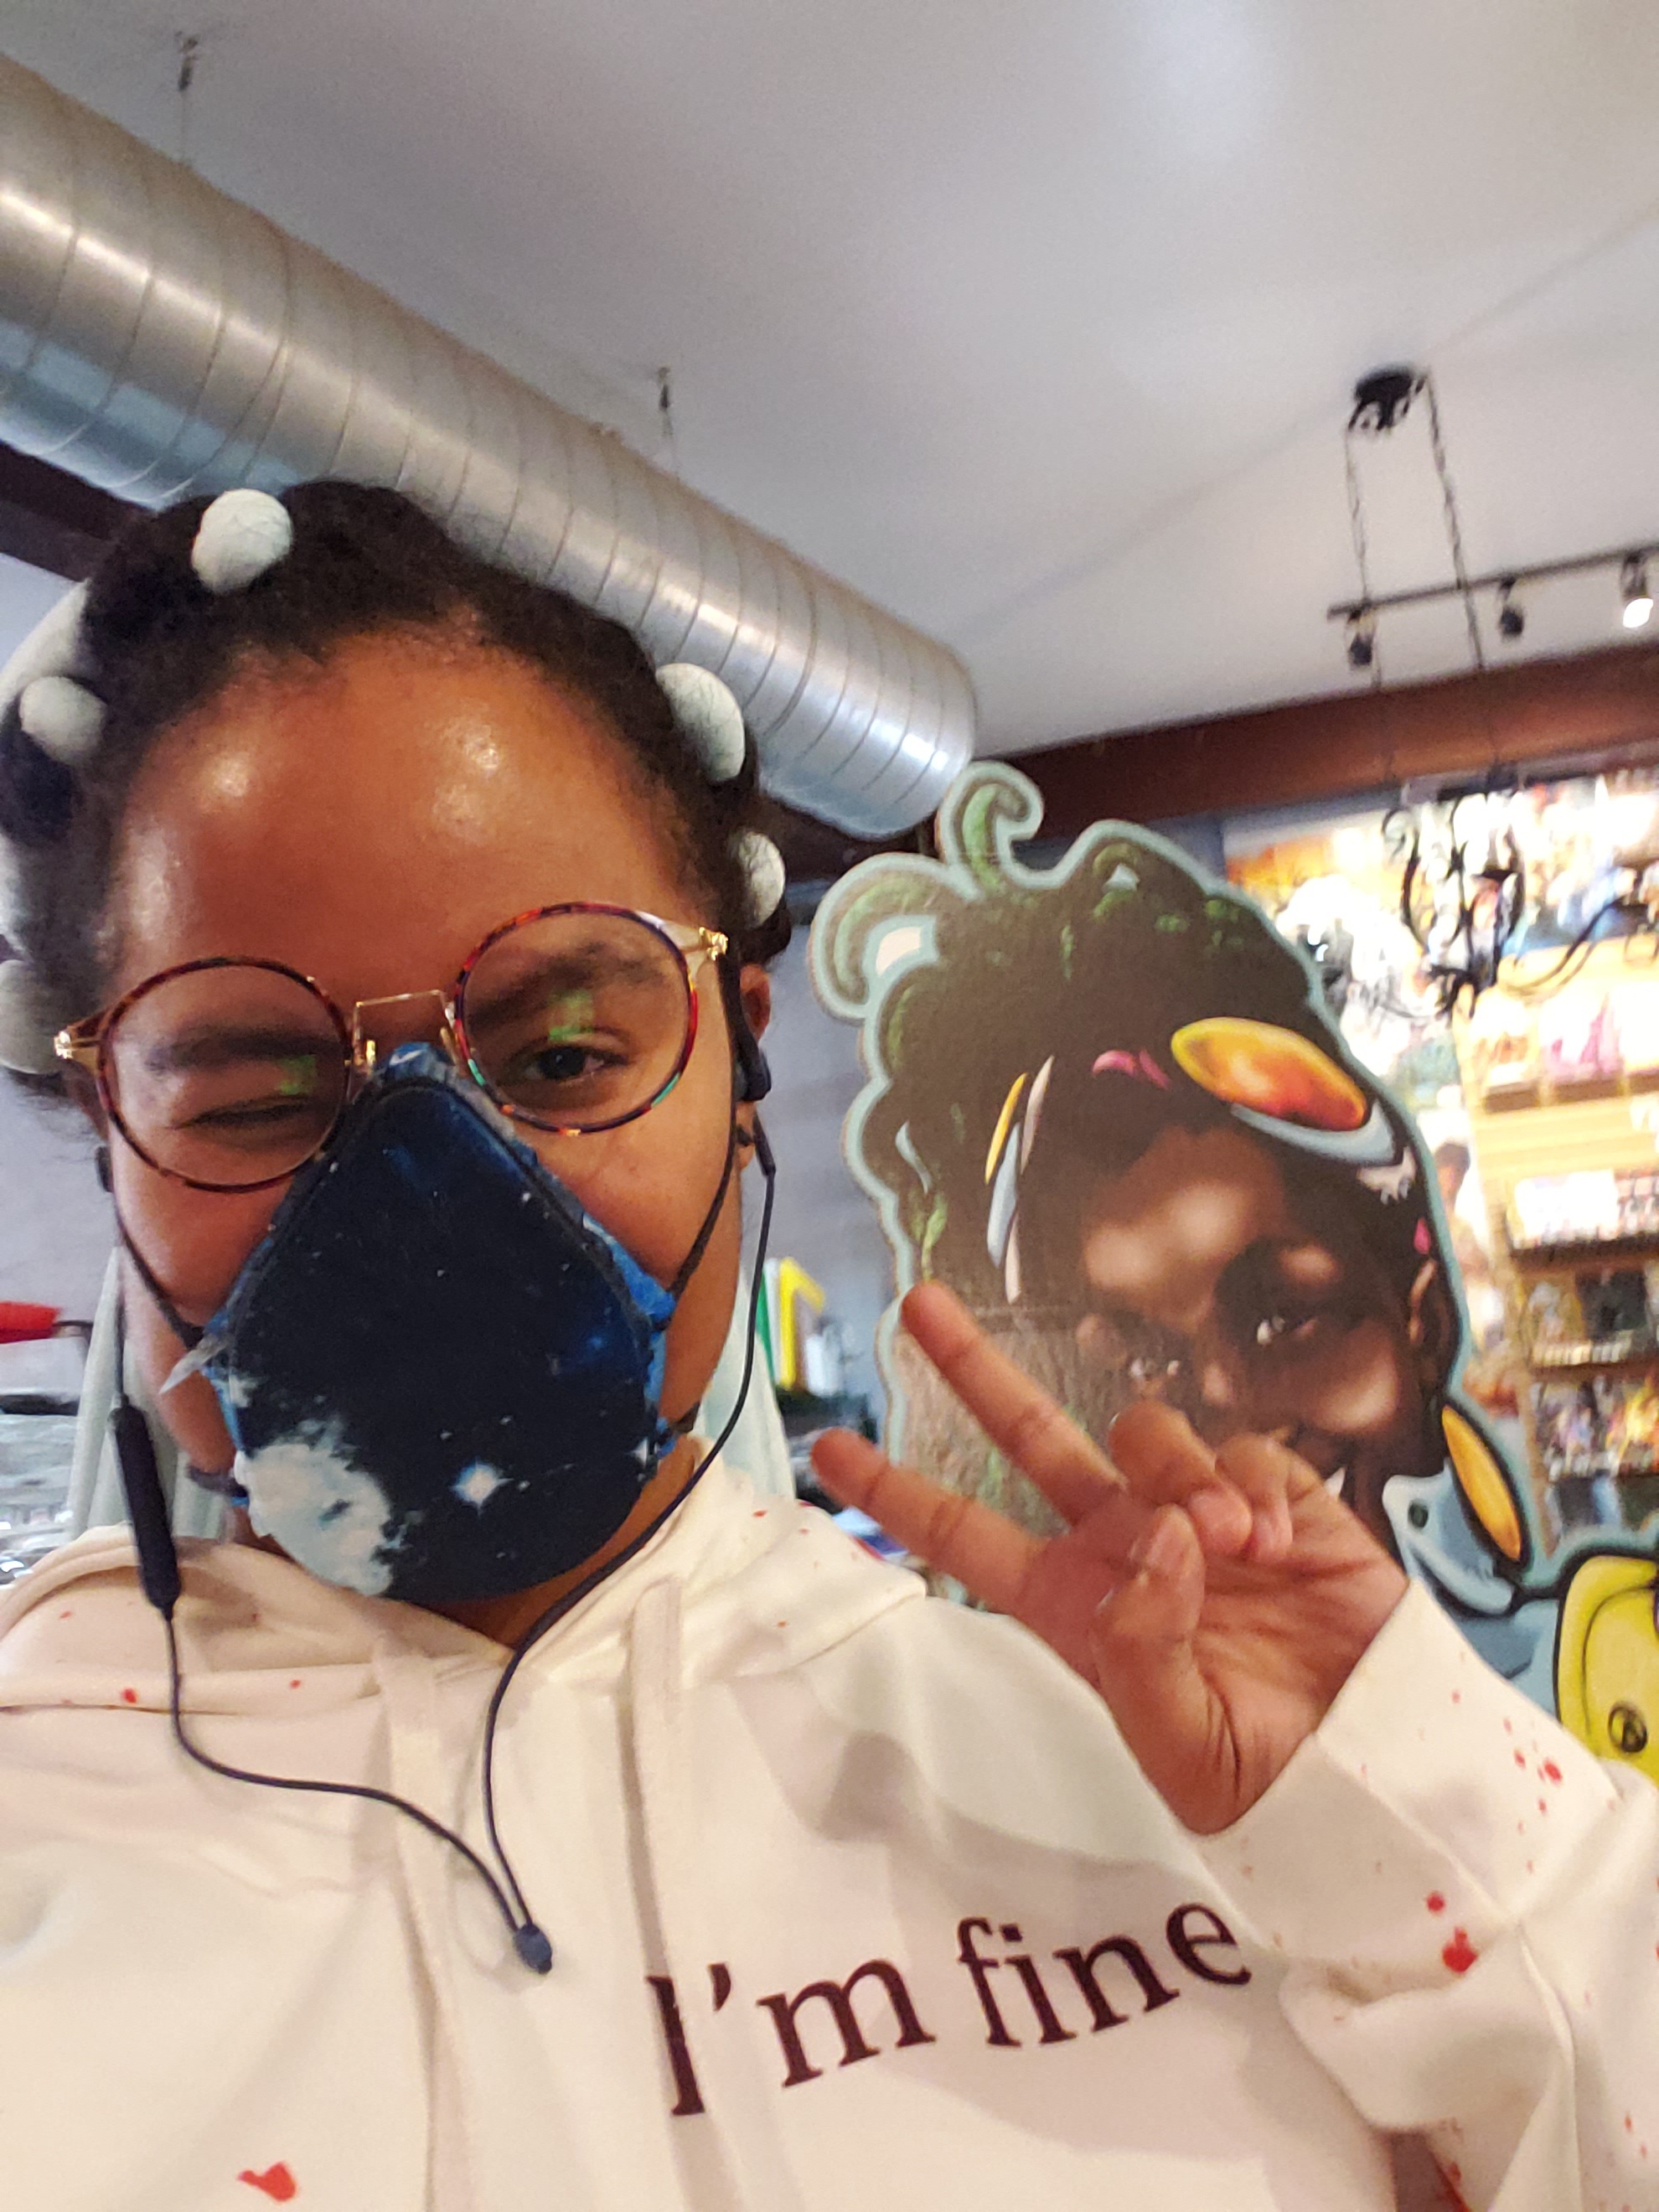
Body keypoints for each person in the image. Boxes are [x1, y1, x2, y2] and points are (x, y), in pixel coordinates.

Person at [0, 483, 1654, 2212]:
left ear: (738, 1056)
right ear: (108, 1128)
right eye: (256, 1094)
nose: (425, 1194)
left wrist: (1456, 1838)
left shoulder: (1163, 1776)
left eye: (561, 1056)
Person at [814, 771, 1572, 1708]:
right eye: (1143, 1362)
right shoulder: (1054, 1759)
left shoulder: (1599, 1684)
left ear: (1421, 1315)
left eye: (1282, 1318)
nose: (1220, 1411)